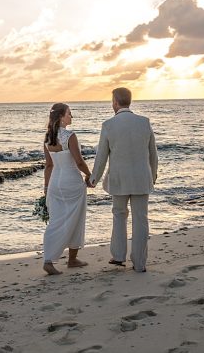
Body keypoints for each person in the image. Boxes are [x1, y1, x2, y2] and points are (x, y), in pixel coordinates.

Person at [88, 87, 158, 272]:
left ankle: (118, 256)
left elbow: (101, 156)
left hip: (119, 180)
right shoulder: (144, 122)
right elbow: (153, 154)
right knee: (141, 219)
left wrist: (94, 178)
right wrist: (154, 175)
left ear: (115, 102)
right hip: (142, 178)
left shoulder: (109, 125)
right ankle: (140, 262)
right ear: (129, 101)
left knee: (119, 215)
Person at [41, 103, 91, 275]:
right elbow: (79, 162)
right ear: (62, 116)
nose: (72, 117)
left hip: (55, 183)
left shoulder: (48, 137)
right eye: (69, 113)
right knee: (76, 219)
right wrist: (90, 175)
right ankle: (70, 259)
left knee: (56, 220)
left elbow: (49, 165)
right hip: (72, 183)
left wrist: (46, 187)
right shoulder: (70, 135)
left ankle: (52, 259)